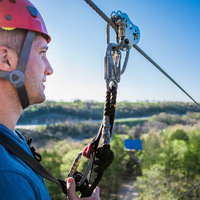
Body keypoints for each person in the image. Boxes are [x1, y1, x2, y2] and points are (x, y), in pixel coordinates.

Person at [0, 0, 100, 200]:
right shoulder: (8, 176)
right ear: (5, 59)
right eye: (42, 53)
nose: (50, 69)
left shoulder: (13, 141)